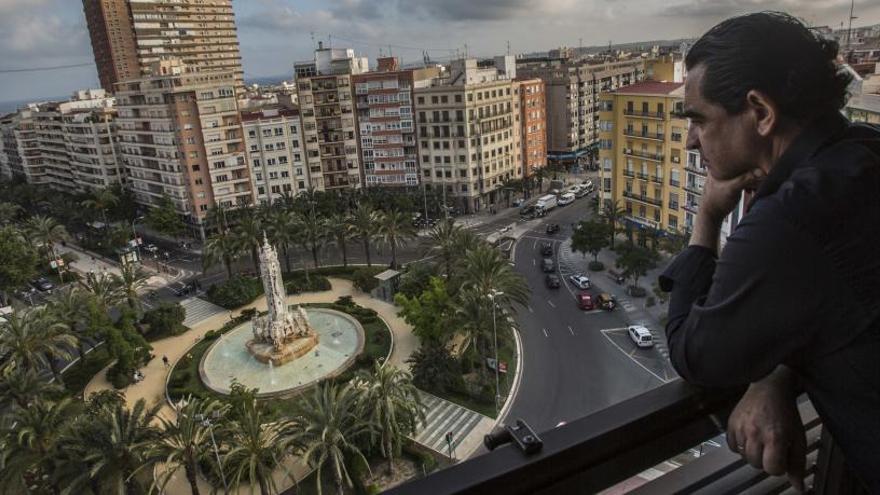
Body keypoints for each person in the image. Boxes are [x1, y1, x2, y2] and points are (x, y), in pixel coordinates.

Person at [659, 12, 879, 493]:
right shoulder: (863, 152)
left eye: (699, 119)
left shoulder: (790, 219)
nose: (693, 140)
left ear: (760, 112)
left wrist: (707, 219)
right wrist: (775, 373)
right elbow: (834, 301)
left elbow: (696, 353)